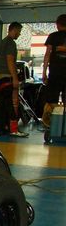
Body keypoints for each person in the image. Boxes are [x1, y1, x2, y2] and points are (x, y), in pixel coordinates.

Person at [0, 22, 28, 137]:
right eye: (19, 32)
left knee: (1, 105)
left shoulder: (2, 42)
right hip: (6, 77)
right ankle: (14, 130)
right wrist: (15, 78)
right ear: (14, 30)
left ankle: (0, 129)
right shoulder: (11, 44)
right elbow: (10, 61)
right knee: (10, 104)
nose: (19, 34)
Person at [41, 14, 66, 144]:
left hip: (55, 73)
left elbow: (47, 55)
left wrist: (44, 72)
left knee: (51, 100)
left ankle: (49, 124)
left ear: (57, 24)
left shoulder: (52, 36)